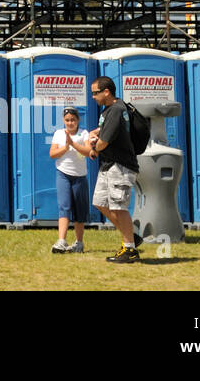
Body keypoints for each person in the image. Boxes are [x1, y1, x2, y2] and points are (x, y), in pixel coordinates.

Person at [87, 76, 141, 263]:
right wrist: (95, 132)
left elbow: (105, 141)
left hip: (121, 166)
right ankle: (131, 235)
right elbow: (105, 130)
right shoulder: (109, 110)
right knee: (100, 202)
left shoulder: (116, 110)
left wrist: (94, 148)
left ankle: (130, 249)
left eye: (95, 93)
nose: (93, 96)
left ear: (106, 92)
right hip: (108, 165)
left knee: (118, 207)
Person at [49, 107, 93, 253]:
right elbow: (53, 154)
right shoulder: (58, 133)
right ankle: (61, 241)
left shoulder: (84, 133)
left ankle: (79, 243)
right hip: (63, 174)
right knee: (64, 206)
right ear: (63, 120)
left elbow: (88, 152)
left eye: (73, 120)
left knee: (79, 211)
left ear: (78, 120)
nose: (70, 123)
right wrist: (66, 147)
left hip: (80, 176)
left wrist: (73, 144)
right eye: (67, 120)